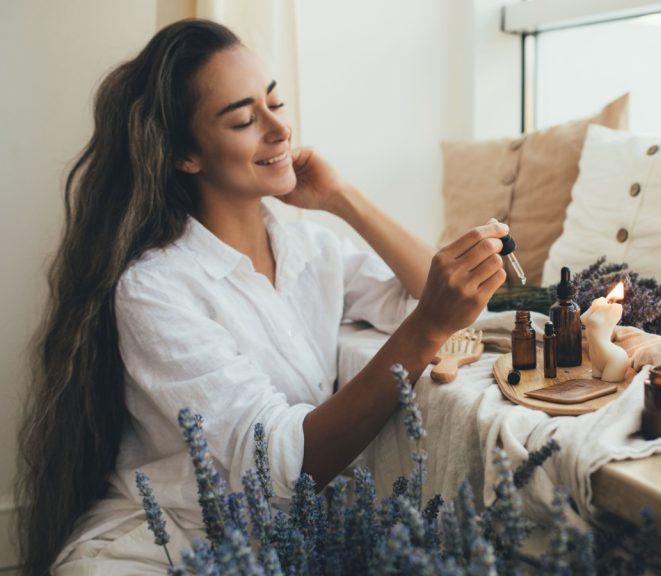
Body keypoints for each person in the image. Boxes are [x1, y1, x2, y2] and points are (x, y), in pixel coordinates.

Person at [16, 19, 507, 575]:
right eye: (245, 119)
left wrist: (344, 199)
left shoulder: (307, 248)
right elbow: (283, 463)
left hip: (287, 542)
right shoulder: (154, 288)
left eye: (276, 103)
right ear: (186, 154)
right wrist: (426, 332)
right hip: (170, 540)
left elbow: (452, 300)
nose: (279, 129)